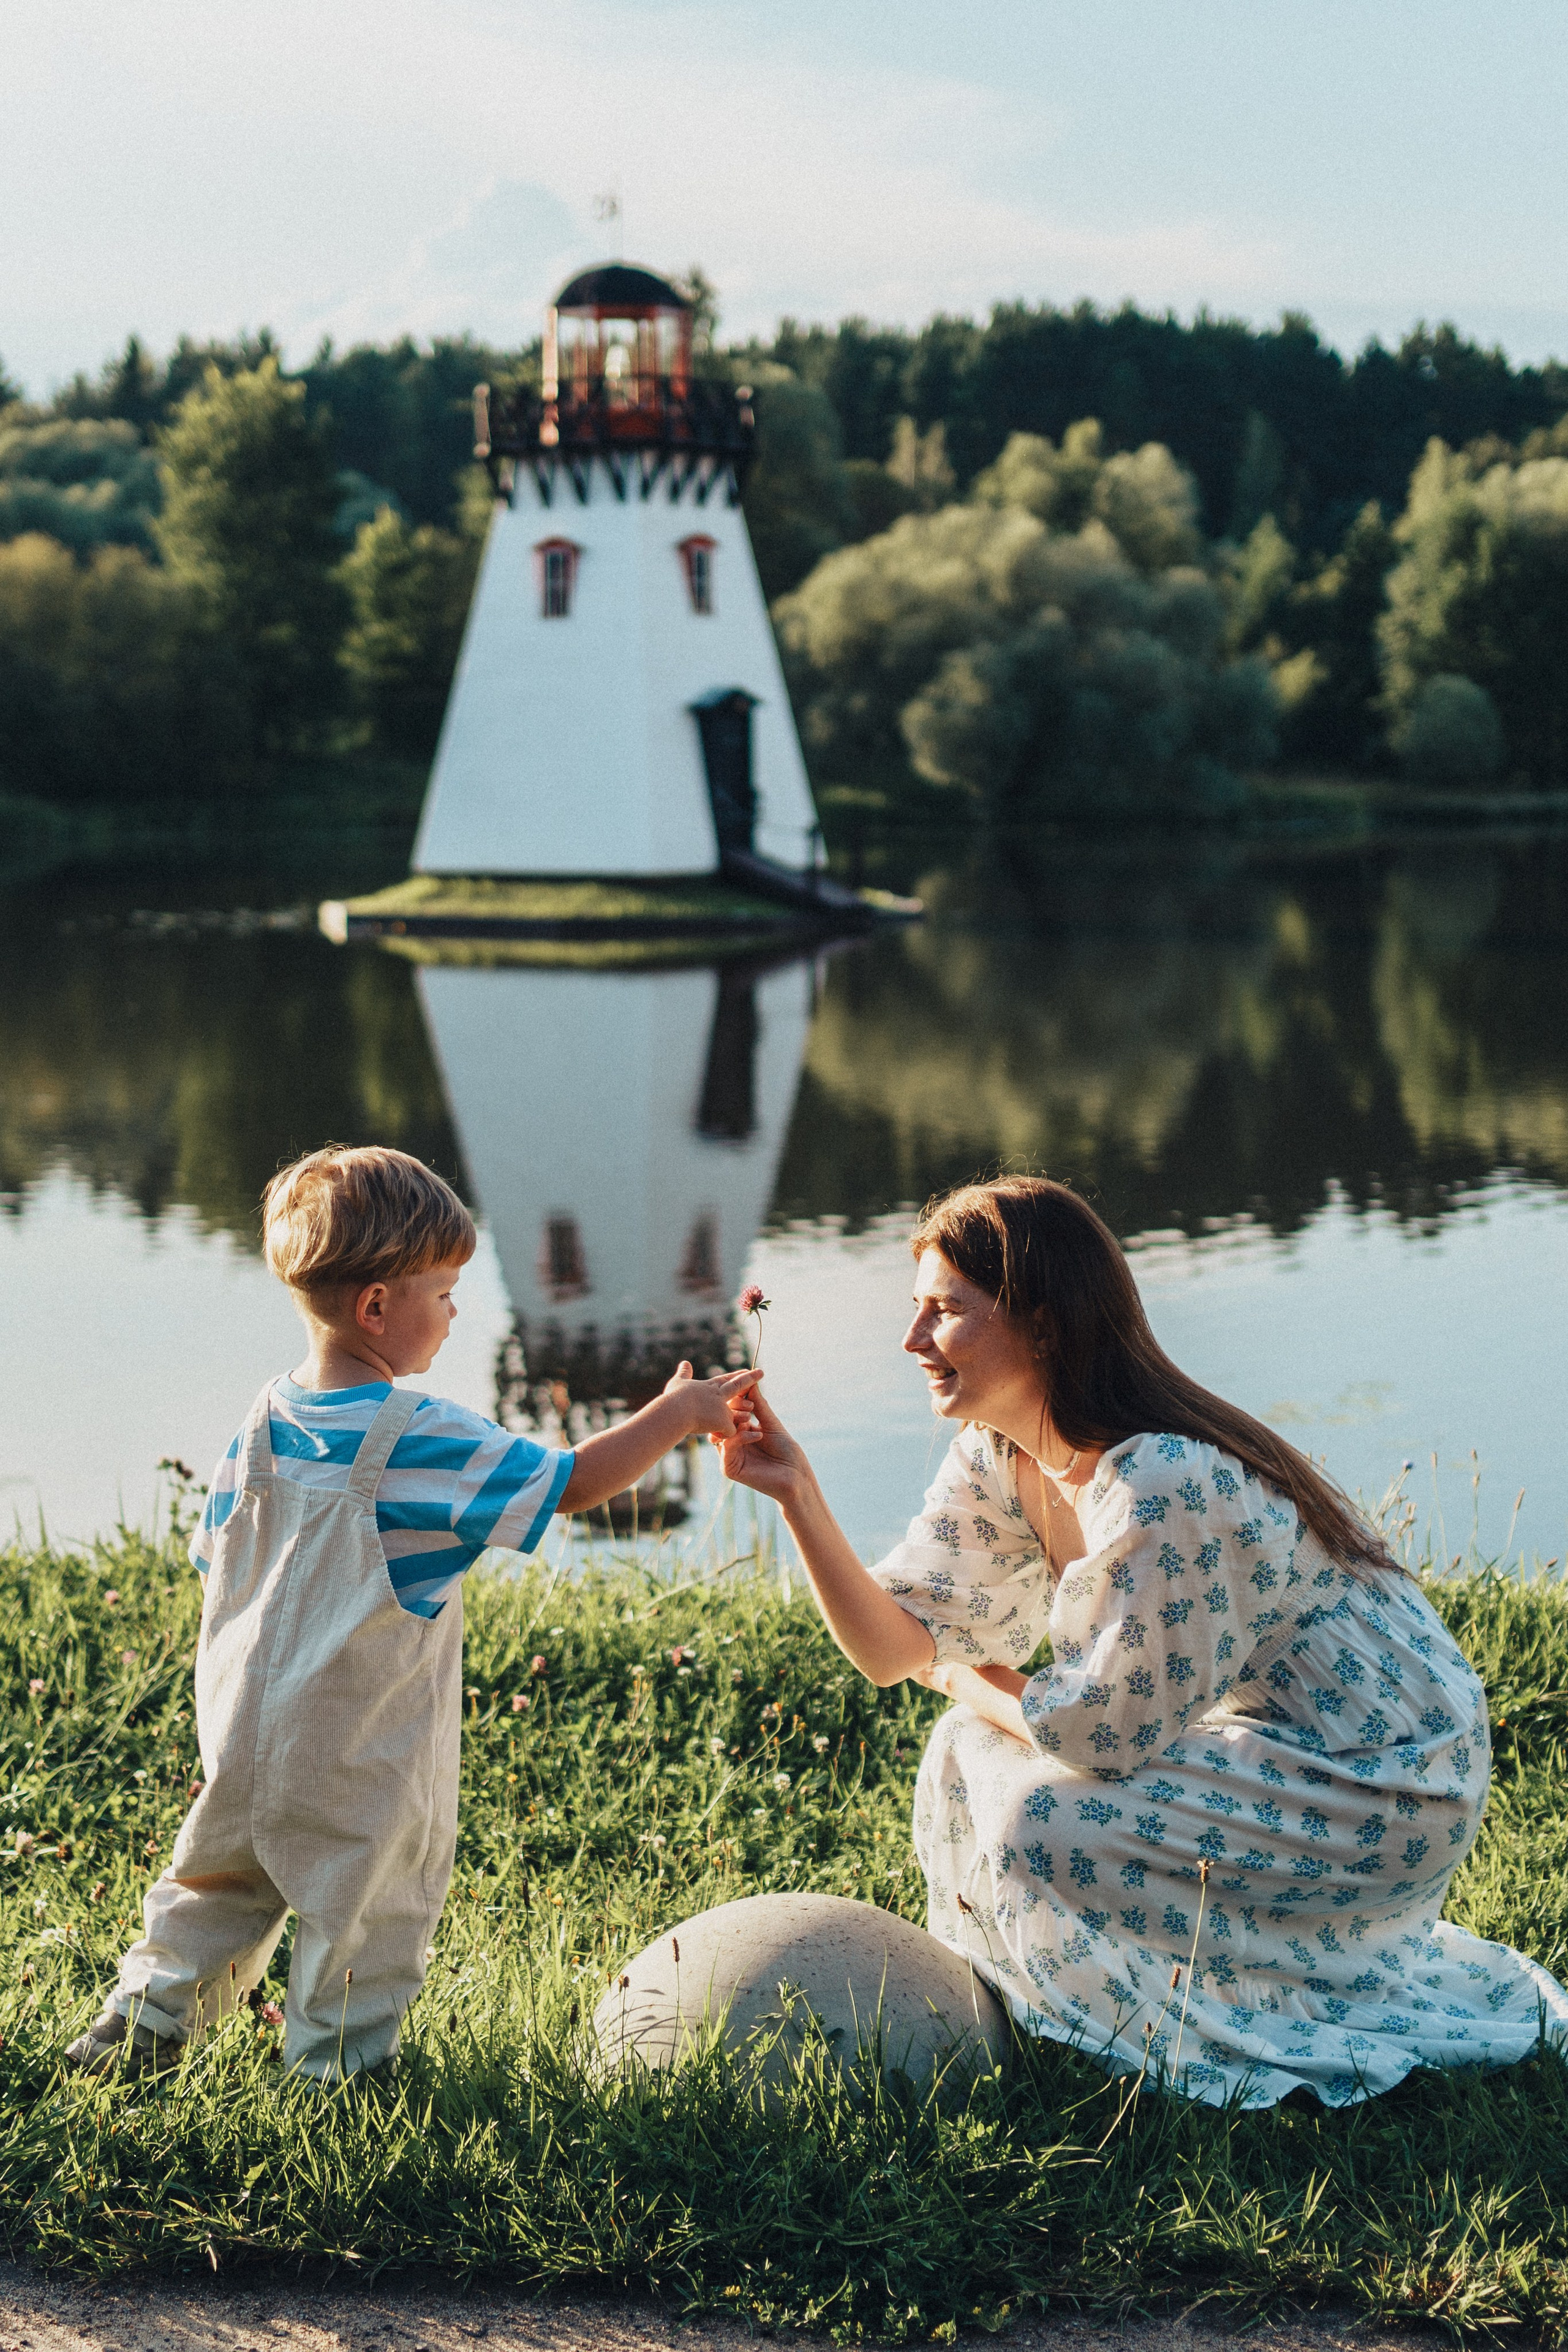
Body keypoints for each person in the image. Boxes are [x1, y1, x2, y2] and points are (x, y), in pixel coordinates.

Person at [718, 1174, 1568, 2107]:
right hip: (1284, 1749)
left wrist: (958, 1672)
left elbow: (1097, 1736)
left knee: (1036, 1813)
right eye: (917, 1312)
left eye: (944, 1312)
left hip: (1393, 1774)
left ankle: (1127, 2042)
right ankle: (1074, 2011)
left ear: (1042, 1324)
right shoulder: (1003, 1454)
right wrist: (798, 1495)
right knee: (968, 1754)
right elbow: (891, 1652)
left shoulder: (1163, 1478)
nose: (912, 1341)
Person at [66, 1145, 758, 2083]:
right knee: (368, 1912)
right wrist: (677, 1413)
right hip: (361, 1751)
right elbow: (570, 1485)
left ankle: (135, 2032)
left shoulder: (262, 1420)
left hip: (241, 1735)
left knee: (210, 1889)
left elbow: (212, 1556)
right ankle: (335, 2080)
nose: (457, 1310)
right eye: (444, 1289)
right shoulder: (419, 1436)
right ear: (378, 1307)